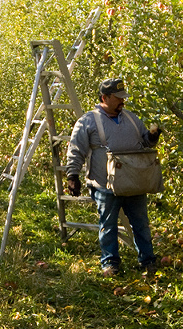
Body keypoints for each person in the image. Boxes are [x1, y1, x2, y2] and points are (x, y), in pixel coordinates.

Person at [65, 78, 161, 276]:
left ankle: (148, 260)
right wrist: (72, 175)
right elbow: (76, 150)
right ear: (104, 97)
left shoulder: (132, 119)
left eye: (123, 98)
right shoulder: (88, 121)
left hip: (134, 182)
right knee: (108, 225)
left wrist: (151, 138)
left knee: (141, 223)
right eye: (117, 98)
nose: (122, 102)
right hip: (104, 184)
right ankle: (110, 263)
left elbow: (145, 142)